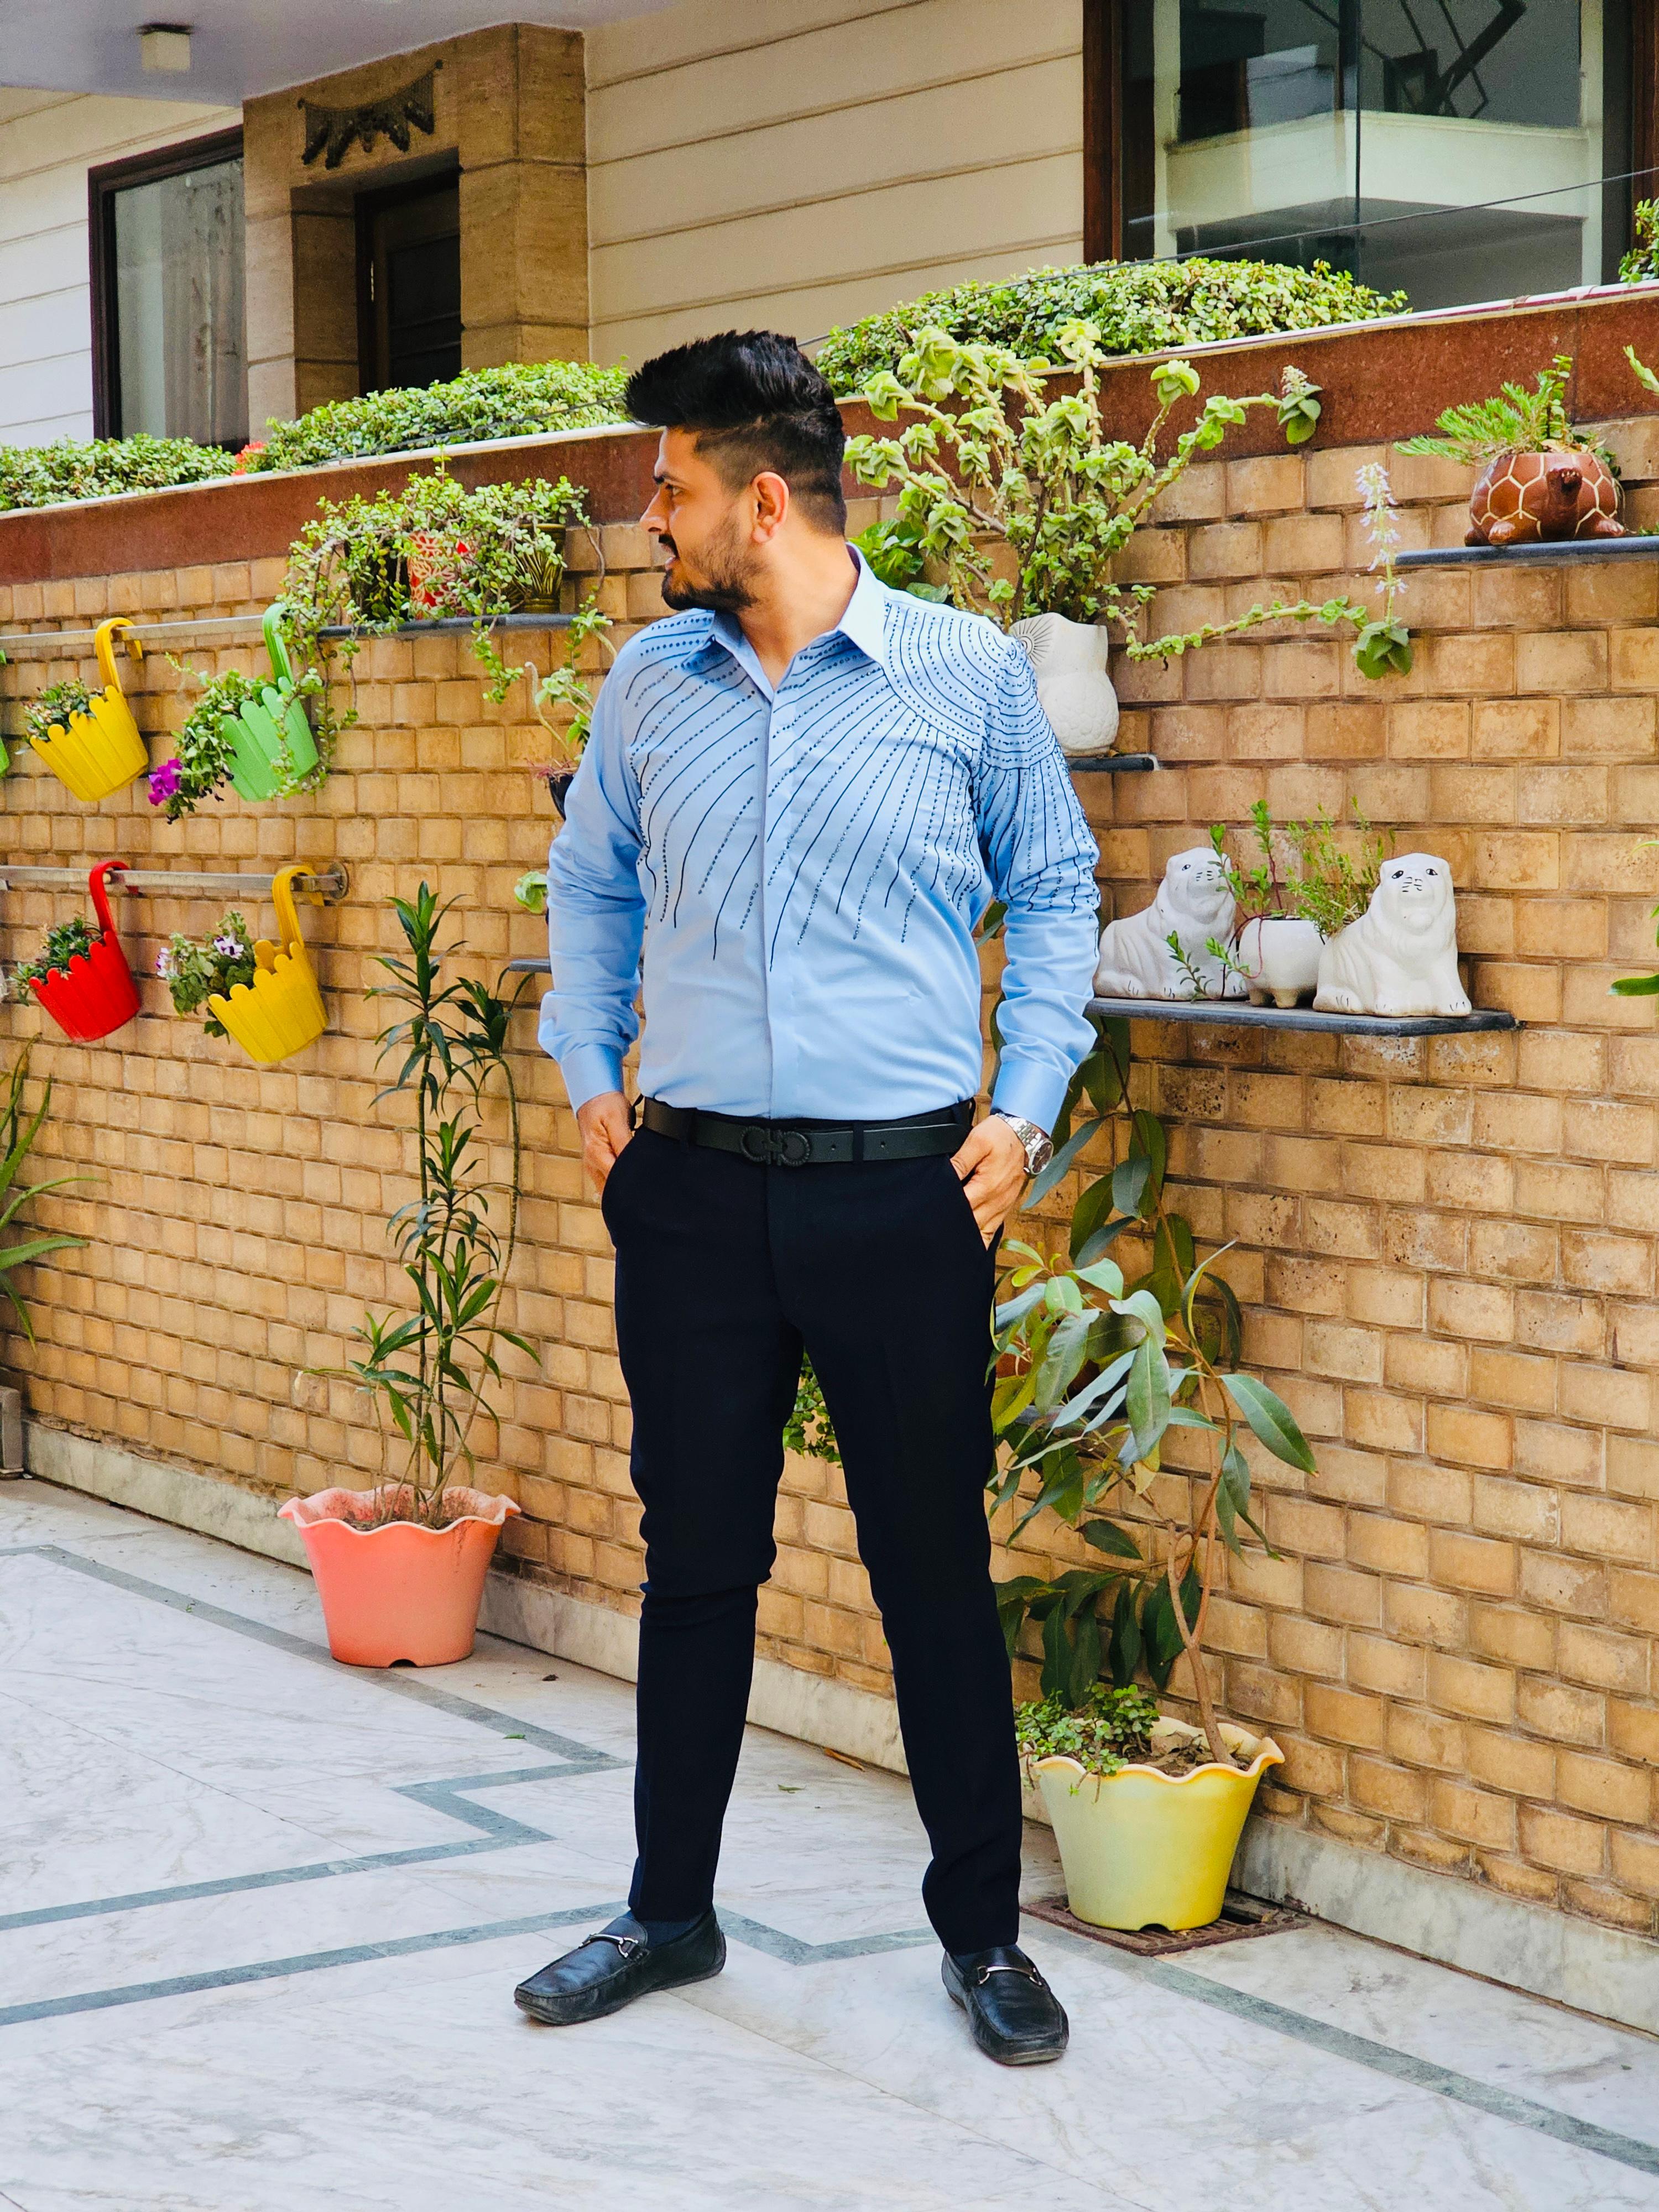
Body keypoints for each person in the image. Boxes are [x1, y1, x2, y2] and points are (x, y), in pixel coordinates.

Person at [515, 330, 1099, 2065]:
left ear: (761, 499)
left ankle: (984, 1939)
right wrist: (591, 1074)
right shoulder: (646, 686)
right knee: (696, 1561)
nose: (652, 517)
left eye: (673, 487)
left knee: (929, 1567)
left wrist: (1026, 1107)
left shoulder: (965, 675)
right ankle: (669, 1913)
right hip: (690, 1197)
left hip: (902, 1202)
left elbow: (1056, 892)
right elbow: (590, 888)